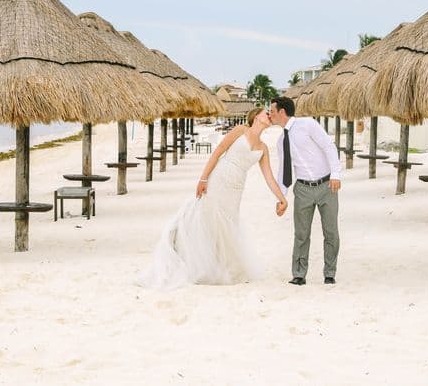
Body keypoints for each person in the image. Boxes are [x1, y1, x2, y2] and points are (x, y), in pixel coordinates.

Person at [137, 108, 286, 290]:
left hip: (236, 187)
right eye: (266, 113)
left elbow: (269, 177)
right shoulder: (240, 130)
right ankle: (194, 261)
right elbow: (218, 152)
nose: (269, 115)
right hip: (219, 178)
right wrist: (203, 178)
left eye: (270, 114)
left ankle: (219, 266)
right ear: (255, 117)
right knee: (207, 218)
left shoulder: (263, 148)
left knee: (226, 225)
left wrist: (281, 199)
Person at [268, 97, 342, 286]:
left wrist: (335, 174)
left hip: (327, 186)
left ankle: (330, 273)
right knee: (301, 234)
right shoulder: (280, 141)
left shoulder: (308, 124)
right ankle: (299, 275)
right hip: (302, 189)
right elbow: (284, 170)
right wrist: (281, 197)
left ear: (282, 112)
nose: (270, 115)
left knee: (331, 232)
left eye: (272, 111)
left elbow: (328, 146)